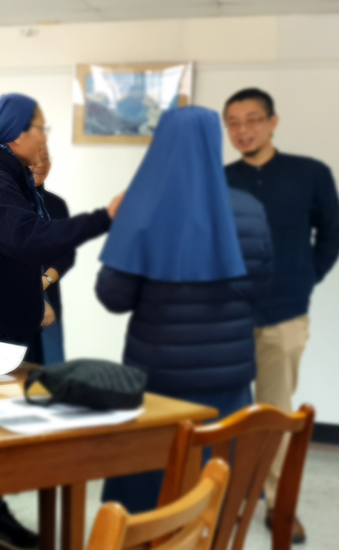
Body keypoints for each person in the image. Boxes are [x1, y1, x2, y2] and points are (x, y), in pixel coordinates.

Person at [0, 93, 123, 549]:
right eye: (39, 127)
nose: (43, 137)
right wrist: (105, 218)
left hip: (4, 329)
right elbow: (30, 238)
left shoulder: (10, 178)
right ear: (15, 133)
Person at [96, 106, 273, 513]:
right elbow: (261, 288)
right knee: (216, 492)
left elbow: (113, 297)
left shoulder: (142, 207)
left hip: (158, 380)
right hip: (228, 379)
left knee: (150, 498)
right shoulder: (249, 208)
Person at [223, 88, 339, 542]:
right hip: (228, 316)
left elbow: (331, 236)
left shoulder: (310, 173)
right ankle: (229, 495)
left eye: (252, 119)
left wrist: (304, 279)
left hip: (284, 314)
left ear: (273, 122)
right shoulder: (219, 179)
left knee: (274, 411)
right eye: (233, 122)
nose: (243, 130)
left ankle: (277, 502)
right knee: (228, 411)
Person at [30, 147, 75, 365]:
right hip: (15, 300)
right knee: (18, 372)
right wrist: (36, 297)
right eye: (34, 159)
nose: (40, 165)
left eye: (45, 159)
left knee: (51, 367)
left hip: (49, 295)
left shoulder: (56, 205)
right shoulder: (8, 201)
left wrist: (44, 282)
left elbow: (67, 254)